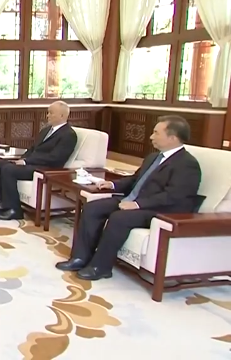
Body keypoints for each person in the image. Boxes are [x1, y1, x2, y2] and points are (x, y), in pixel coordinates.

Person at [56, 115, 202, 280]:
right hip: (134, 200)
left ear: (172, 138)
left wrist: (138, 204)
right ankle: (80, 258)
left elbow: (174, 196)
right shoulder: (153, 157)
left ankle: (101, 267)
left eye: (156, 133)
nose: (151, 137)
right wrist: (113, 185)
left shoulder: (187, 164)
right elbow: (135, 179)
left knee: (119, 218)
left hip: (160, 209)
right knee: (92, 207)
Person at [0, 101, 77, 221]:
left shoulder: (69, 135)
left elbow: (55, 158)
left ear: (62, 115)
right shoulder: (46, 130)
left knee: (9, 170)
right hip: (31, 163)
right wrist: (23, 159)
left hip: (46, 168)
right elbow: (32, 149)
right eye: (48, 112)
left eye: (51, 113)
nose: (47, 116)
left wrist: (26, 162)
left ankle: (14, 210)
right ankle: (1, 203)